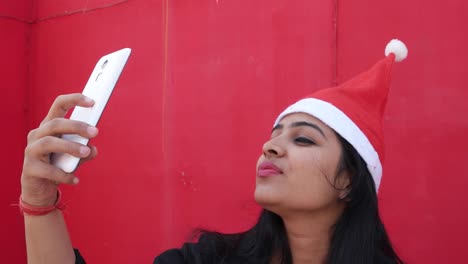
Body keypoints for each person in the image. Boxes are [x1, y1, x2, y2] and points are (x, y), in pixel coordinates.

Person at [19, 40, 408, 264]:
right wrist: (38, 201)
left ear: (348, 179)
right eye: (274, 134)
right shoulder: (209, 260)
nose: (270, 146)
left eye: (302, 139)